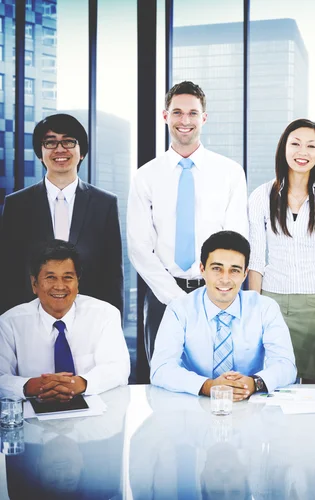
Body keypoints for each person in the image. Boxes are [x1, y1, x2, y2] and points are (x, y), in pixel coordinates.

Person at [128, 81, 248, 363]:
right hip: (162, 298)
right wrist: (177, 299)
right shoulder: (146, 176)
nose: (185, 120)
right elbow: (139, 247)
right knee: (164, 382)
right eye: (177, 112)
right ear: (165, 116)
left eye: (193, 113)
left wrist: (213, 292)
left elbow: (235, 239)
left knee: (216, 381)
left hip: (217, 295)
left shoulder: (230, 172)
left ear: (204, 118)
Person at [248, 118, 315, 383]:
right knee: (271, 381)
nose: (302, 152)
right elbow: (256, 261)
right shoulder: (261, 196)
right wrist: (253, 310)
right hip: (272, 300)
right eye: (295, 144)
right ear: (284, 149)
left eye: (311, 146)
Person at [0, 113, 123, 316]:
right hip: (30, 319)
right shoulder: (17, 205)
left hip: (89, 317)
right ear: (40, 153)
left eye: (68, 141)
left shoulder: (105, 204)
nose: (59, 149)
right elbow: (8, 272)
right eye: (50, 143)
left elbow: (112, 276)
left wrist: (112, 325)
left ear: (81, 152)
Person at [150, 230, 296, 399]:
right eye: (217, 269)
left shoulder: (265, 308)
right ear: (202, 270)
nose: (225, 279)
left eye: (234, 270)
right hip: (194, 405)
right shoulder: (179, 310)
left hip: (250, 405)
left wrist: (254, 383)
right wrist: (208, 386)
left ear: (245, 274)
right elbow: (161, 369)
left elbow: (286, 365)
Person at [0, 240, 130, 400]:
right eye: (50, 277)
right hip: (30, 415)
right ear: (34, 284)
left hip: (92, 410)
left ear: (78, 282)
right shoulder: (9, 323)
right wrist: (31, 385)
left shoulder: (105, 314)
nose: (60, 286)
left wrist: (81, 383)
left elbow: (118, 369)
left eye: (68, 277)